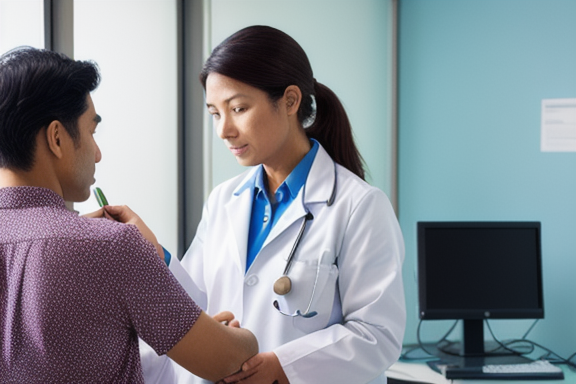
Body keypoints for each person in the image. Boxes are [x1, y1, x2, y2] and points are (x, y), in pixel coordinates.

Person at [0, 46, 257, 384]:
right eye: (92, 131)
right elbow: (227, 360)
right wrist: (239, 338)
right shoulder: (111, 246)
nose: (98, 153)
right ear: (57, 138)